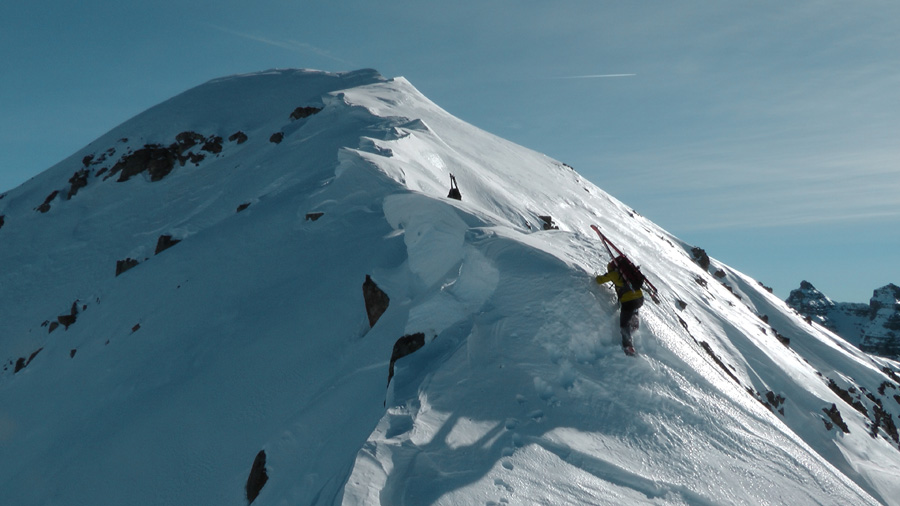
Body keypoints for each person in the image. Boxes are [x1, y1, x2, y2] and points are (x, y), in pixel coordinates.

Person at [595, 258, 644, 353]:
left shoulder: (613, 273)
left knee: (624, 324)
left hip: (628, 301)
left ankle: (628, 345)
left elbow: (600, 280)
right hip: (639, 298)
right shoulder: (628, 273)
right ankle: (634, 325)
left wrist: (596, 278)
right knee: (634, 311)